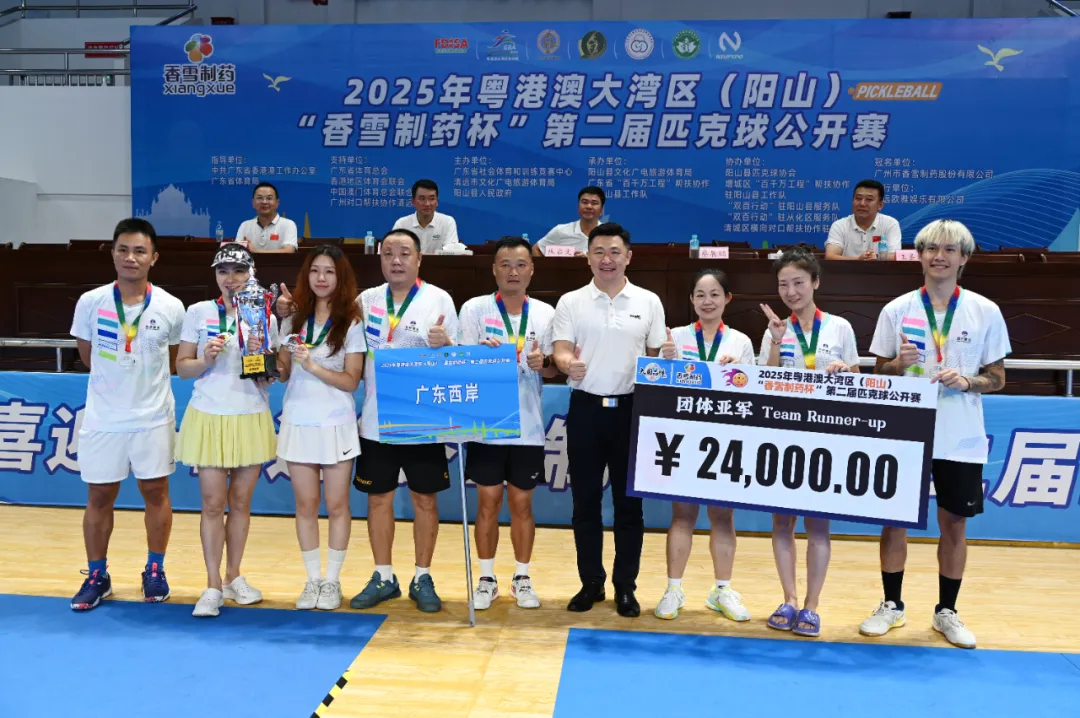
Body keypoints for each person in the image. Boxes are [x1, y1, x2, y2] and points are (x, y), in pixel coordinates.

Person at [859, 219, 1009, 649]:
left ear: (964, 258)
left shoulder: (985, 310)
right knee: (894, 520)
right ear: (919, 255)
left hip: (960, 435)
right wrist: (897, 365)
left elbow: (998, 377)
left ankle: (947, 611)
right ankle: (892, 604)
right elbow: (879, 371)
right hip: (904, 429)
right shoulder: (897, 309)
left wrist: (967, 381)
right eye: (930, 249)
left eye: (949, 250)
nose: (938, 256)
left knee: (954, 523)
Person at [68, 218, 185, 611]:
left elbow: (172, 360)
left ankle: (155, 569)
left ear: (154, 257)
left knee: (156, 492)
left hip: (153, 417)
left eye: (139, 251)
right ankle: (96, 575)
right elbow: (88, 357)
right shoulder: (91, 302)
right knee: (99, 495)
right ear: (113, 253)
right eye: (123, 249)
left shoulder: (171, 306)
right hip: (104, 417)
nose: (130, 257)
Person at [551, 222, 666, 617]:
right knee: (585, 503)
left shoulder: (648, 301)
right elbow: (560, 350)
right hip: (585, 409)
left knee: (629, 506)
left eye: (615, 252)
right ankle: (591, 583)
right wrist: (567, 363)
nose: (607, 259)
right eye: (599, 251)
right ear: (587, 257)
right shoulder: (571, 302)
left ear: (628, 257)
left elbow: (657, 357)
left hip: (632, 412)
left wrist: (666, 357)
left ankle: (625, 587)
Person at [349, 229, 459, 612]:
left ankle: (422, 576)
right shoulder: (366, 300)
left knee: (424, 499)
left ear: (419, 259)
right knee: (378, 498)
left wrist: (446, 344)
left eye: (405, 253)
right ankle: (383, 576)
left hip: (422, 418)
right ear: (380, 259)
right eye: (388, 253)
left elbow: (457, 362)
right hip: (376, 418)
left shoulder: (439, 299)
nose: (396, 260)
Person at [758, 246, 860, 637]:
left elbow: (857, 382)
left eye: (798, 283)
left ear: (815, 282)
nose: (791, 292)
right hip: (782, 436)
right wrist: (774, 342)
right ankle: (788, 598)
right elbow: (763, 383)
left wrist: (844, 371)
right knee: (782, 522)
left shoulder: (839, 328)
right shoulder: (774, 329)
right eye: (783, 285)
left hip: (825, 437)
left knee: (818, 525)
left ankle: (812, 606)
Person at [175, 243, 277, 617]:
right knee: (212, 504)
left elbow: (268, 377)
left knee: (241, 503)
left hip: (250, 413)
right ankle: (212, 584)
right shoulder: (199, 312)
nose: (230, 279)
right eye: (223, 272)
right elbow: (182, 367)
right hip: (209, 413)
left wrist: (259, 353)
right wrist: (205, 359)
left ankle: (234, 576)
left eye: (238, 271)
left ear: (251, 274)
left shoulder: (264, 314)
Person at [457, 236, 558, 610]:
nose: (513, 271)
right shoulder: (474, 309)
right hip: (486, 425)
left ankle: (522, 577)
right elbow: (460, 363)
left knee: (522, 504)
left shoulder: (546, 314)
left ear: (531, 269)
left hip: (528, 426)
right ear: (494, 269)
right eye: (505, 264)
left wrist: (543, 364)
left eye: (520, 264)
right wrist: (478, 357)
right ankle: (486, 579)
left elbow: (553, 369)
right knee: (487, 502)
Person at [653, 269, 756, 622]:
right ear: (691, 300)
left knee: (722, 516)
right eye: (700, 294)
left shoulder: (740, 341)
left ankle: (722, 590)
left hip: (725, 439)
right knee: (682, 514)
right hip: (683, 437)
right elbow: (657, 385)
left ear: (727, 298)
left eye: (714, 294)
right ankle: (673, 588)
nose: (707, 301)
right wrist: (664, 360)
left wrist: (740, 371)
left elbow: (753, 392)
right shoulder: (676, 337)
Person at [277, 245, 366, 611]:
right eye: (315, 270)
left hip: (336, 423)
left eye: (329, 271)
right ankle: (313, 579)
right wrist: (262, 351)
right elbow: (283, 373)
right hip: (298, 421)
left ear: (340, 277)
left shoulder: (352, 322)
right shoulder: (292, 319)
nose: (321, 278)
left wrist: (312, 366)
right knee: (306, 504)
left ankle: (332, 580)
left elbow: (351, 381)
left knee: (337, 504)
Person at [825, 180, 900, 261]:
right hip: (847, 269)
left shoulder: (890, 224)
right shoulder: (840, 225)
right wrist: (858, 259)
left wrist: (876, 258)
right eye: (858, 198)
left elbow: (895, 256)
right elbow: (830, 257)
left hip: (880, 269)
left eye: (869, 199)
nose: (862, 203)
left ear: (880, 205)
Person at [532, 186, 605, 257]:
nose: (589, 206)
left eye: (594, 203)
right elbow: (536, 249)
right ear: (578, 206)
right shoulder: (561, 231)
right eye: (584, 202)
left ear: (601, 210)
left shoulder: (608, 234)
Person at [392, 179, 459, 254]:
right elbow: (394, 252)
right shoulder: (402, 225)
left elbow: (451, 254)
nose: (427, 204)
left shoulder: (447, 222)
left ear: (437, 201)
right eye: (422, 199)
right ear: (413, 201)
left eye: (432, 199)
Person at [234, 182, 299, 254]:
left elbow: (289, 250)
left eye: (269, 198)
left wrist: (256, 251)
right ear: (253, 203)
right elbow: (237, 251)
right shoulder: (245, 225)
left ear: (277, 203)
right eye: (259, 198)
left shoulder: (288, 224)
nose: (264, 202)